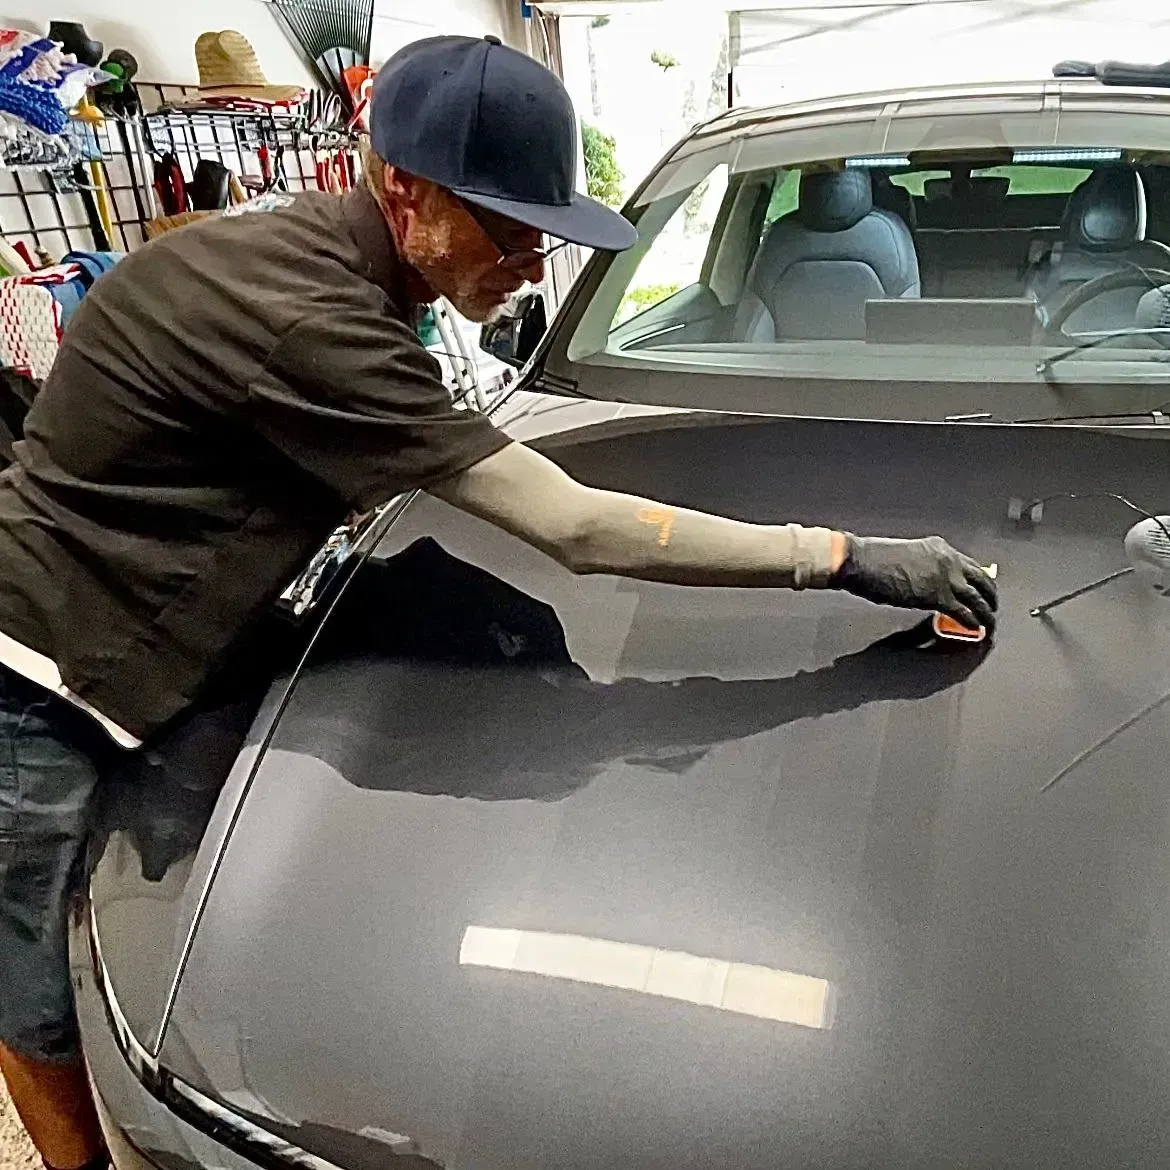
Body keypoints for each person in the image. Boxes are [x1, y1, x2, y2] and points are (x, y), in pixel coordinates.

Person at [0, 33, 996, 1170]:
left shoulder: (318, 273)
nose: (531, 262)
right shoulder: (312, 321)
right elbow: (574, 527)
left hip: (158, 634)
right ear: (404, 190)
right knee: (34, 988)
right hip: (36, 676)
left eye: (546, 232)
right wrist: (842, 555)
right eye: (510, 228)